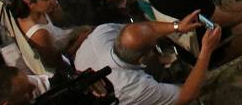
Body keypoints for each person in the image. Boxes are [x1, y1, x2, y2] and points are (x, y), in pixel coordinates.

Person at [74, 17, 222, 105]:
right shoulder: (133, 87)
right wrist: (206, 51)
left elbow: (142, 29)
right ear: (142, 59)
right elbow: (187, 95)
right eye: (153, 46)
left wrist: (177, 26)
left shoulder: (102, 32)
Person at [10, 0, 91, 70]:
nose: (53, 0)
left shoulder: (39, 11)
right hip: (69, 55)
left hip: (66, 38)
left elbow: (60, 22)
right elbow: (55, 63)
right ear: (31, 4)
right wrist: (80, 40)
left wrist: (57, 13)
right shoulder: (39, 34)